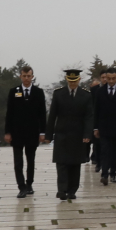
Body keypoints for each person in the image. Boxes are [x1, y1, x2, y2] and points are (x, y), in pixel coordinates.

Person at [49, 68, 96, 200]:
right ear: (67, 80)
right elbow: (52, 115)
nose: (73, 83)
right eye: (70, 81)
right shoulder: (58, 94)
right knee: (61, 163)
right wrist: (48, 134)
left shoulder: (86, 95)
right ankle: (62, 190)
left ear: (79, 80)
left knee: (75, 164)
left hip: (78, 134)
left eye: (75, 81)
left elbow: (89, 117)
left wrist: (87, 134)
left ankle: (72, 190)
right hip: (62, 134)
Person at [3, 65, 47, 198]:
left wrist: (42, 132)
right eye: (24, 76)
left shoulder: (38, 92)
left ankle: (29, 184)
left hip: (33, 132)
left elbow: (42, 114)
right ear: (20, 76)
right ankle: (21, 186)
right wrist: (7, 132)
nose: (26, 78)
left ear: (32, 77)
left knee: (31, 160)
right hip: (17, 132)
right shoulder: (13, 91)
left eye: (29, 76)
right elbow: (9, 113)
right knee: (18, 162)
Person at [92, 68, 116, 185]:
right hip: (103, 127)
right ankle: (104, 173)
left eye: (113, 78)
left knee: (114, 151)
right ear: (105, 79)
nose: (111, 81)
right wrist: (95, 128)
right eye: (109, 78)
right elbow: (96, 110)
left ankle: (113, 173)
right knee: (104, 150)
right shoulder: (100, 92)